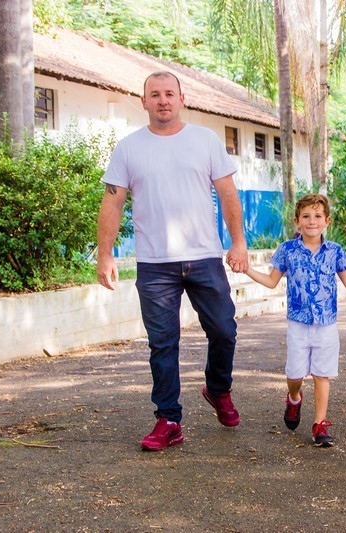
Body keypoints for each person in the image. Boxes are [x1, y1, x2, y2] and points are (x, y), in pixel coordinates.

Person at [97, 71, 248, 451]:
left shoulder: (205, 140)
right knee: (162, 344)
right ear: (144, 101)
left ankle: (218, 389)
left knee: (224, 330)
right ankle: (168, 419)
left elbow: (228, 194)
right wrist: (105, 253)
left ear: (182, 99)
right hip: (155, 263)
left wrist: (239, 243)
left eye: (169, 94)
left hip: (204, 256)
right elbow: (112, 202)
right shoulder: (129, 148)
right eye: (155, 94)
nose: (162, 100)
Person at [245, 194, 346, 447]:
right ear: (297, 221)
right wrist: (246, 268)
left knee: (322, 374)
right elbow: (271, 281)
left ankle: (319, 424)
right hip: (298, 324)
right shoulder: (287, 250)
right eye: (306, 216)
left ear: (327, 221)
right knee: (295, 374)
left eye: (318, 216)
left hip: (326, 324)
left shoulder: (334, 251)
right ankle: (294, 398)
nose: (312, 221)